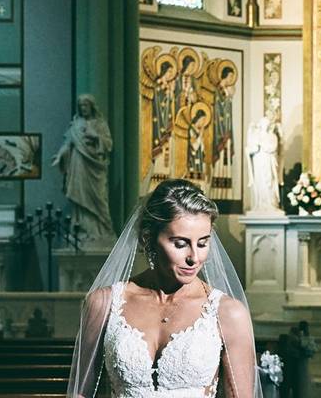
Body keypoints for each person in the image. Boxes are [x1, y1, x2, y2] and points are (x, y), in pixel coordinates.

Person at [68, 179, 262, 398]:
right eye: (180, 244)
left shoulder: (228, 313)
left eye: (202, 243)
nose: (194, 258)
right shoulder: (103, 304)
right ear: (148, 238)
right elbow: (81, 394)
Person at [52, 94, 115, 244]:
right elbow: (68, 143)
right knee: (79, 197)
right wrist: (60, 156)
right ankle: (81, 229)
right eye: (81, 106)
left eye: (86, 106)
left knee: (98, 198)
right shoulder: (76, 124)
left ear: (92, 106)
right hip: (78, 164)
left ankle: (102, 229)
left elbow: (108, 144)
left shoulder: (100, 124)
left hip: (95, 168)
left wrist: (96, 137)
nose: (83, 109)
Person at [246, 117, 281, 213]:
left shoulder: (272, 136)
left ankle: (271, 204)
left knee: (269, 181)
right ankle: (260, 204)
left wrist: (262, 144)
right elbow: (251, 149)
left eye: (267, 124)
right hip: (258, 161)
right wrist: (254, 146)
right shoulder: (255, 136)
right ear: (260, 125)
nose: (266, 126)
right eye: (264, 123)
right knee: (260, 182)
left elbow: (273, 148)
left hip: (268, 161)